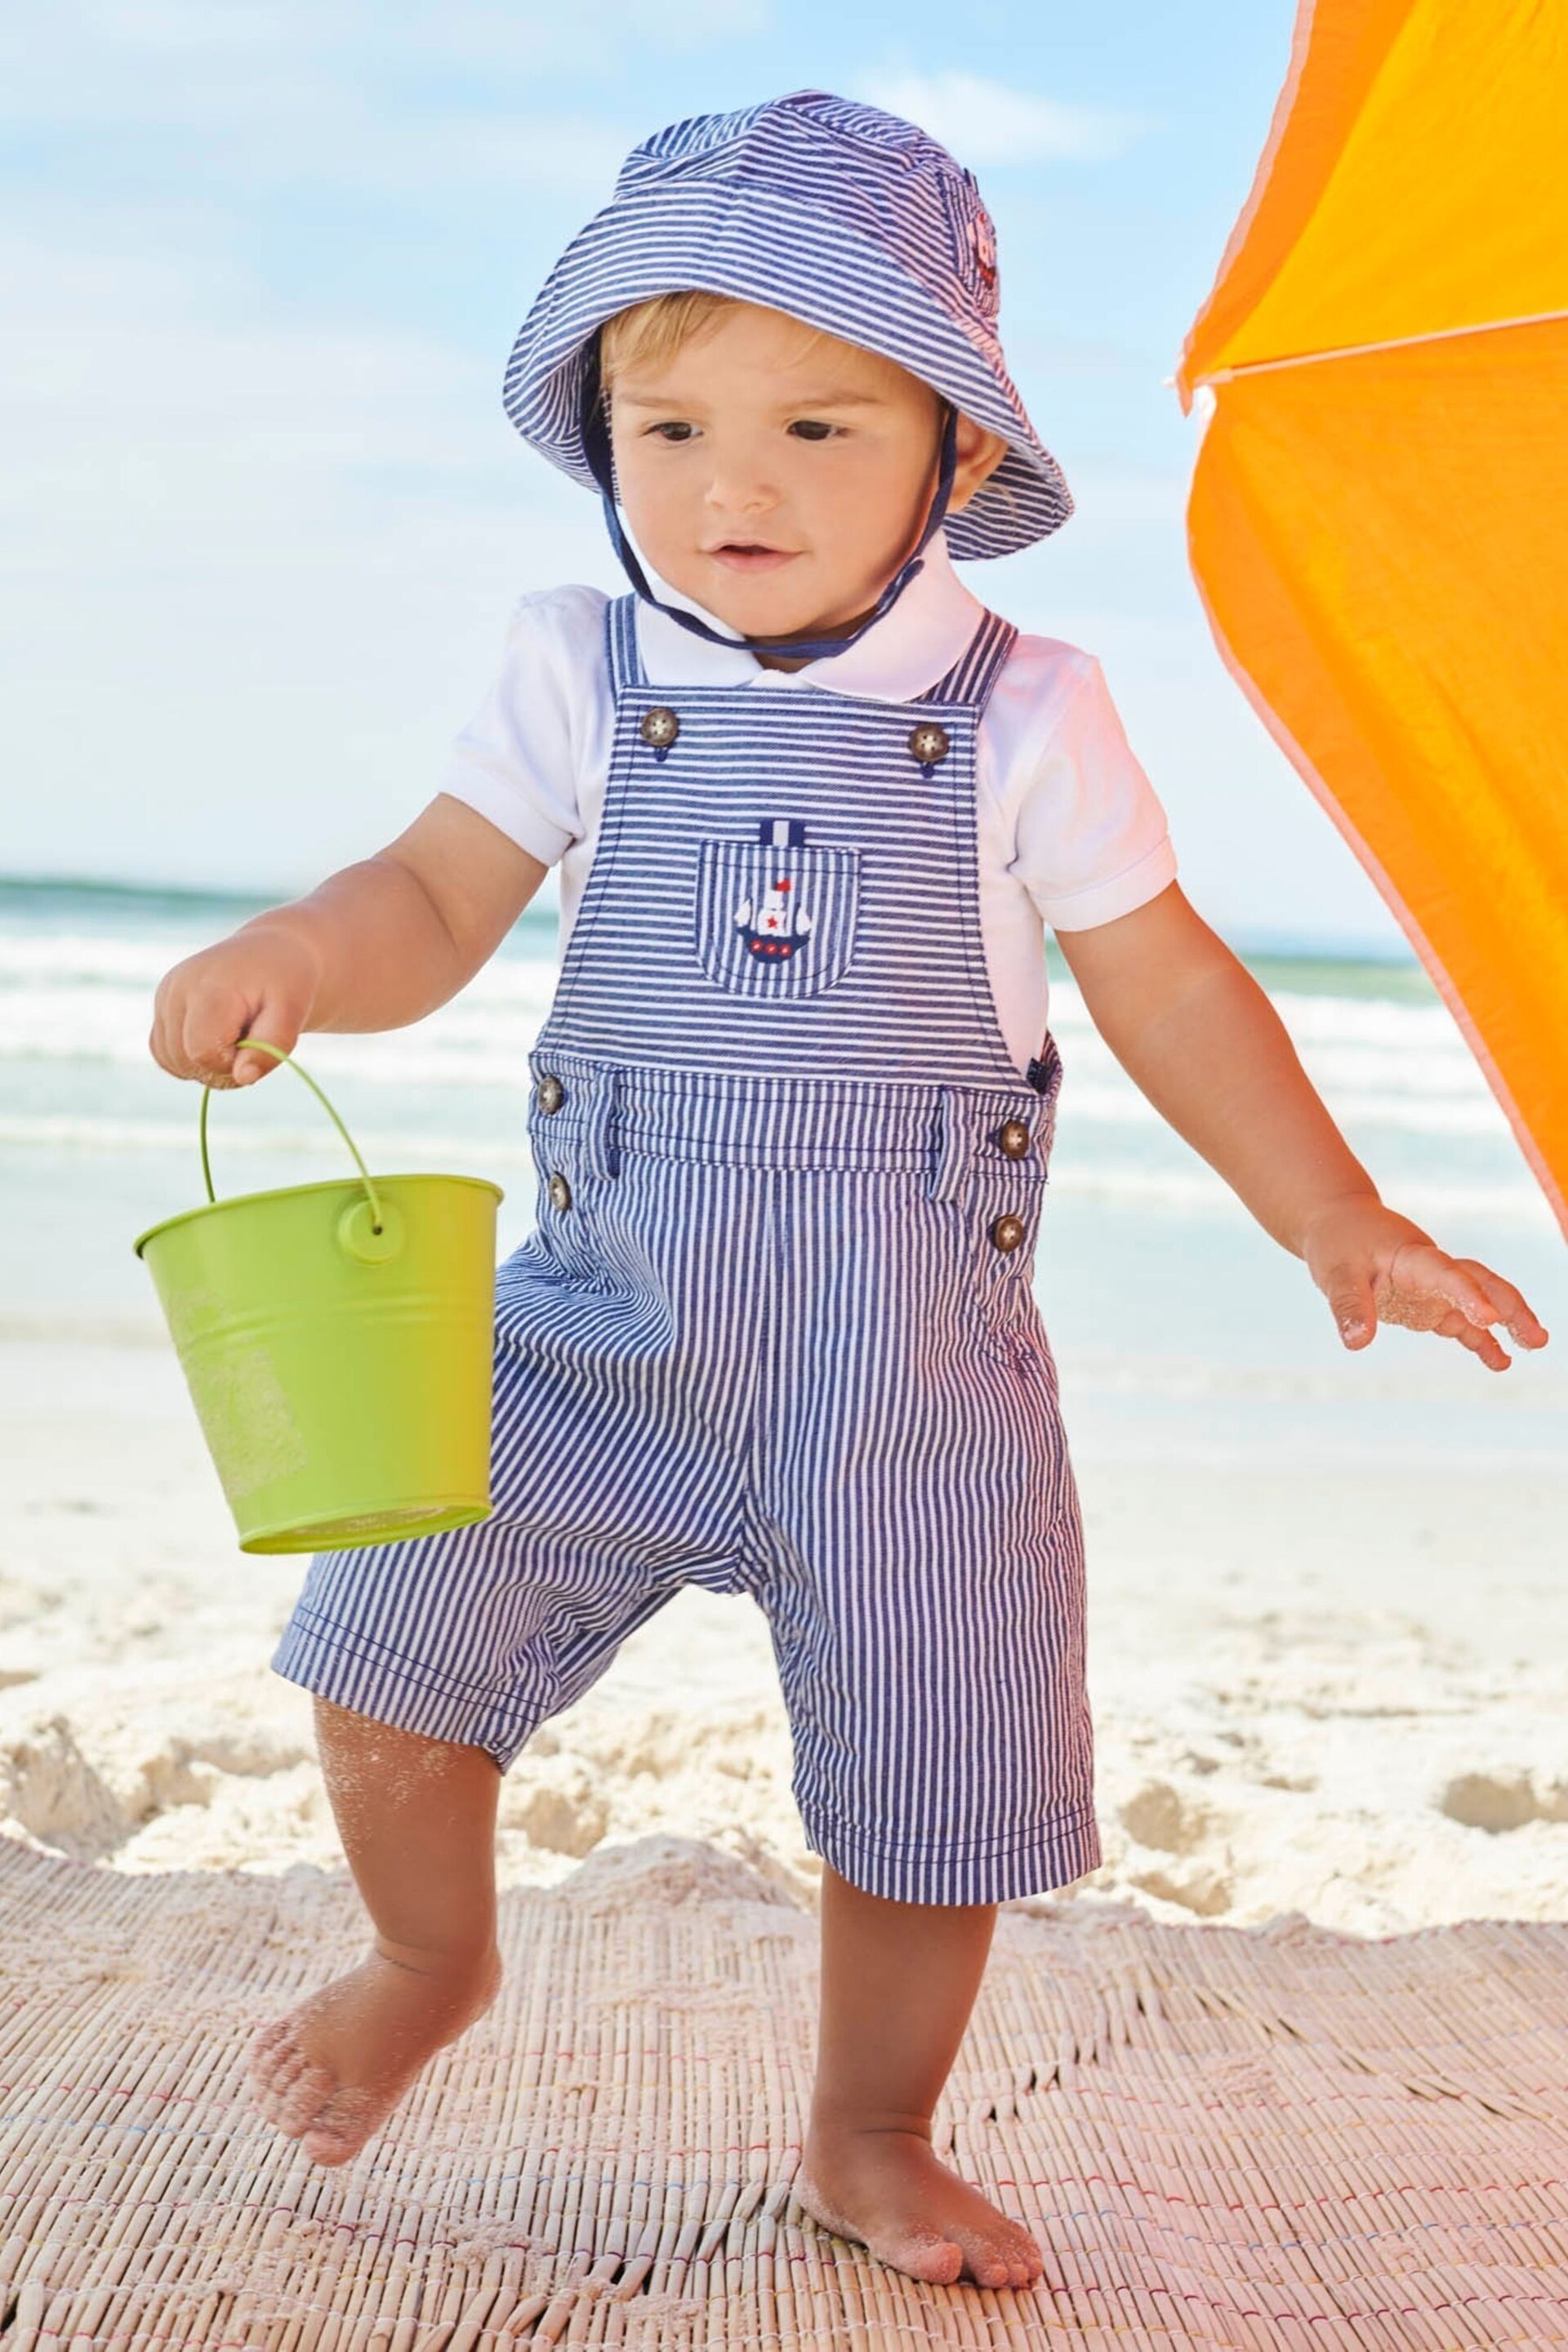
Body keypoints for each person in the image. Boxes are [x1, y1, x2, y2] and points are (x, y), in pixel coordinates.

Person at [148, 93, 1548, 2292]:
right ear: (598, 434)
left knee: (934, 1761)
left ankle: (872, 2127)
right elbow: (432, 892)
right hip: (603, 1322)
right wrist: (301, 963)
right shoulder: (572, 672)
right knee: (387, 1635)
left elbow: (1169, 986)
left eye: (818, 424)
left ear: (955, 461)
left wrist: (1333, 1216)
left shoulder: (1025, 713)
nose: (735, 486)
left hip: (906, 1367)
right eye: (671, 423)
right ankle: (430, 1959)